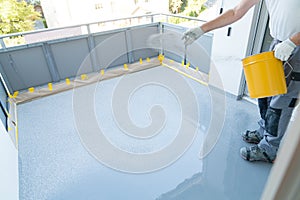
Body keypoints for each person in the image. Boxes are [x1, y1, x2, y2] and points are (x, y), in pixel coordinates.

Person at [182, 0, 300, 162]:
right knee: (266, 92)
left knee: (282, 100)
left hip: (295, 46)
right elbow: (236, 11)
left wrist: (292, 42)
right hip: (278, 43)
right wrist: (201, 29)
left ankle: (269, 148)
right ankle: (264, 130)